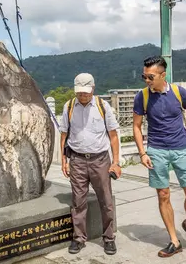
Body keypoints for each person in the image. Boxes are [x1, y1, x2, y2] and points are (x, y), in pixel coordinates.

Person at [132, 55, 186, 258]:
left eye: (150, 77)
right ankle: (174, 240)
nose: (146, 80)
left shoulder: (178, 92)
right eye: (144, 76)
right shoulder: (142, 97)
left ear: (163, 75)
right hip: (157, 151)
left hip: (181, 149)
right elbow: (136, 126)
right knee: (163, 195)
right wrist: (142, 152)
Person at [60, 73, 122, 256]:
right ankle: (79, 238)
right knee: (78, 201)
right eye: (79, 93)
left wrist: (116, 162)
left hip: (100, 160)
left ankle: (109, 238)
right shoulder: (69, 106)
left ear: (93, 89)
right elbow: (64, 134)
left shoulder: (103, 106)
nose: (83, 96)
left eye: (86, 93)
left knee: (106, 200)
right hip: (77, 160)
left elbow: (113, 135)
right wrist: (64, 160)